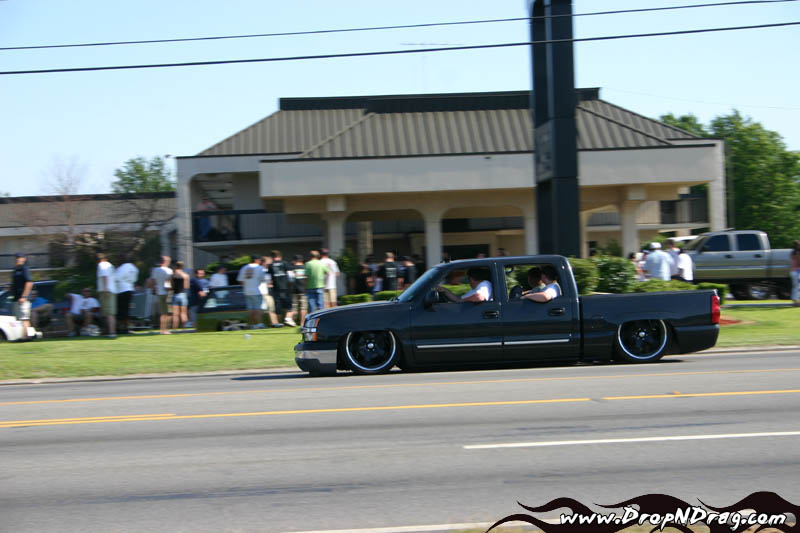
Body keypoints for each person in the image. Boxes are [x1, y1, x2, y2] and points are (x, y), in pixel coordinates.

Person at [237, 256, 267, 329]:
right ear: (256, 260)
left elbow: (240, 280)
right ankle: (259, 323)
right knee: (257, 308)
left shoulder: (244, 267)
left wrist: (246, 286)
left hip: (247, 291)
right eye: (259, 260)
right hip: (256, 290)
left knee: (250, 309)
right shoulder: (259, 268)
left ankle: (252, 324)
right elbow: (263, 279)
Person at [149, 255, 173, 334]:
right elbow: (168, 282)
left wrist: (154, 289)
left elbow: (152, 281)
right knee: (168, 312)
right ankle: (165, 329)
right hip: (167, 293)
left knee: (162, 313)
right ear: (166, 262)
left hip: (159, 293)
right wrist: (169, 290)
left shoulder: (155, 270)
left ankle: (162, 329)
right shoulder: (169, 270)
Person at [268, 250, 293, 326]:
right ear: (280, 256)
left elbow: (268, 278)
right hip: (285, 287)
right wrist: (291, 284)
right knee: (289, 305)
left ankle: (279, 322)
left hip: (276, 288)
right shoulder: (285, 263)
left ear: (272, 257)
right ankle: (288, 318)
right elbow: (291, 276)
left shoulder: (270, 265)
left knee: (278, 305)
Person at [115, 254, 138, 334]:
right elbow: (135, 279)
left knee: (120, 310)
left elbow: (116, 278)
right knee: (126, 309)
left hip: (121, 290)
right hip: (130, 289)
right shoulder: (134, 268)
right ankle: (126, 327)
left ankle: (119, 328)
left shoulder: (122, 267)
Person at [11, 254, 33, 336]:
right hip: (16, 298)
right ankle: (22, 337)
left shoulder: (24, 269)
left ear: (24, 259)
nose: (17, 259)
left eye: (19, 257)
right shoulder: (15, 270)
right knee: (19, 319)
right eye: (16, 258)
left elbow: (29, 282)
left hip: (23, 299)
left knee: (24, 318)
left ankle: (26, 337)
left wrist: (24, 296)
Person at [96, 252, 117, 338]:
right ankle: (108, 332)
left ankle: (111, 332)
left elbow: (105, 276)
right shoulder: (110, 265)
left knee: (109, 313)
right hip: (111, 290)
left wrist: (105, 289)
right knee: (108, 313)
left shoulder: (103, 264)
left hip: (106, 291)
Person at [285, 254, 308, 326]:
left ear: (294, 260)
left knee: (294, 307)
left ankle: (293, 321)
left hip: (293, 290)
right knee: (303, 307)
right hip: (303, 289)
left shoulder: (291, 268)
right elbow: (307, 278)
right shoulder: (305, 268)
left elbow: (289, 280)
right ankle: (302, 323)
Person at [260, 255, 283, 328]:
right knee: (269, 308)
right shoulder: (261, 270)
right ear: (264, 263)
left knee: (270, 308)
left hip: (269, 292)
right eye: (269, 262)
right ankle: (274, 323)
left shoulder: (268, 270)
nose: (271, 264)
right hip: (263, 291)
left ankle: (273, 323)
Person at [171, 261, 190, 329]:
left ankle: (175, 328)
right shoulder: (186, 275)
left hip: (175, 294)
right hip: (183, 295)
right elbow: (186, 287)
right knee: (183, 313)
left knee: (175, 314)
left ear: (176, 266)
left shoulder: (173, 275)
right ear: (182, 267)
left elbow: (171, 286)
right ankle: (184, 328)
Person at [791, 240, 800, 306]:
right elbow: (799, 262)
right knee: (797, 287)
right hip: (797, 271)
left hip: (792, 271)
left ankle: (794, 301)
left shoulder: (792, 252)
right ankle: (796, 302)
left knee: (795, 287)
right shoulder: (798, 252)